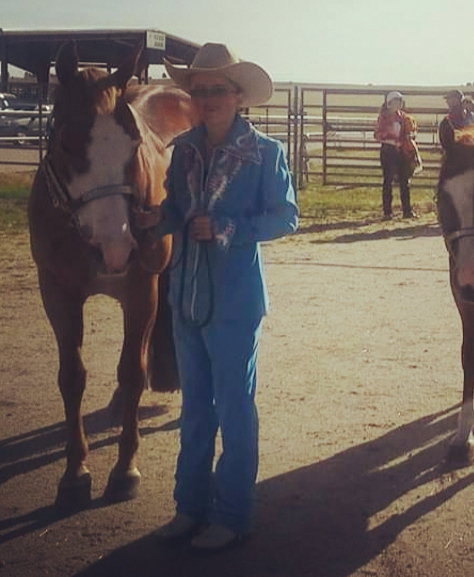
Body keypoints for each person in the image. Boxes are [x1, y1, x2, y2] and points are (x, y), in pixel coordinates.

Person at [135, 42, 299, 552]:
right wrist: (156, 220)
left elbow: (286, 217)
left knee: (234, 409)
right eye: (200, 90)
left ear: (238, 96)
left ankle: (232, 515)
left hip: (234, 302)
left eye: (218, 90)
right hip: (185, 296)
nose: (207, 99)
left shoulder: (266, 153)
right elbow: (177, 210)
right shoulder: (182, 149)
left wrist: (228, 227)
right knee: (194, 411)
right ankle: (190, 507)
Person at [373, 91, 419, 219]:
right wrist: (391, 138)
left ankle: (407, 211)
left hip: (401, 150)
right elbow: (377, 134)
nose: (398, 103)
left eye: (400, 101)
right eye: (396, 101)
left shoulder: (403, 117)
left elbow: (411, 132)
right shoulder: (384, 118)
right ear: (390, 103)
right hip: (388, 151)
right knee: (388, 181)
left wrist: (409, 137)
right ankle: (387, 212)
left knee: (405, 181)